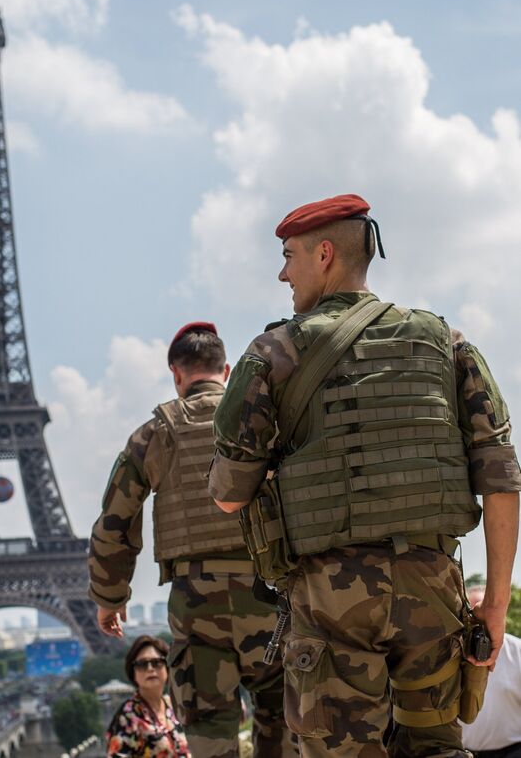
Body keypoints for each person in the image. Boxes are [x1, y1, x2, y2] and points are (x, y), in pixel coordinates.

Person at [209, 193, 521, 758]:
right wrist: (494, 605)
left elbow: (230, 497)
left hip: (333, 597)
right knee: (437, 748)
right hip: (434, 585)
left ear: (324, 253)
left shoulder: (273, 353)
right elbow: (501, 478)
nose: (283, 273)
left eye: (289, 256)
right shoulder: (446, 342)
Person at [88, 322, 297, 758]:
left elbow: (114, 523)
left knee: (208, 725)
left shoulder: (154, 434)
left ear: (176, 374)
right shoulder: (265, 421)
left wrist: (110, 596)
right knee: (282, 715)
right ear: (225, 371)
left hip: (196, 601)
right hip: (268, 594)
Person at [105, 635, 190, 757]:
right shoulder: (129, 715)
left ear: (167, 667)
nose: (150, 669)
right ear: (132, 672)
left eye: (157, 662)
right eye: (142, 664)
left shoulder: (175, 706)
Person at [461, 586, 521, 758]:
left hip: (511, 752)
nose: (480, 626)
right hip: (460, 752)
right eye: (474, 616)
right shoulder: (451, 652)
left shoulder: (518, 651)